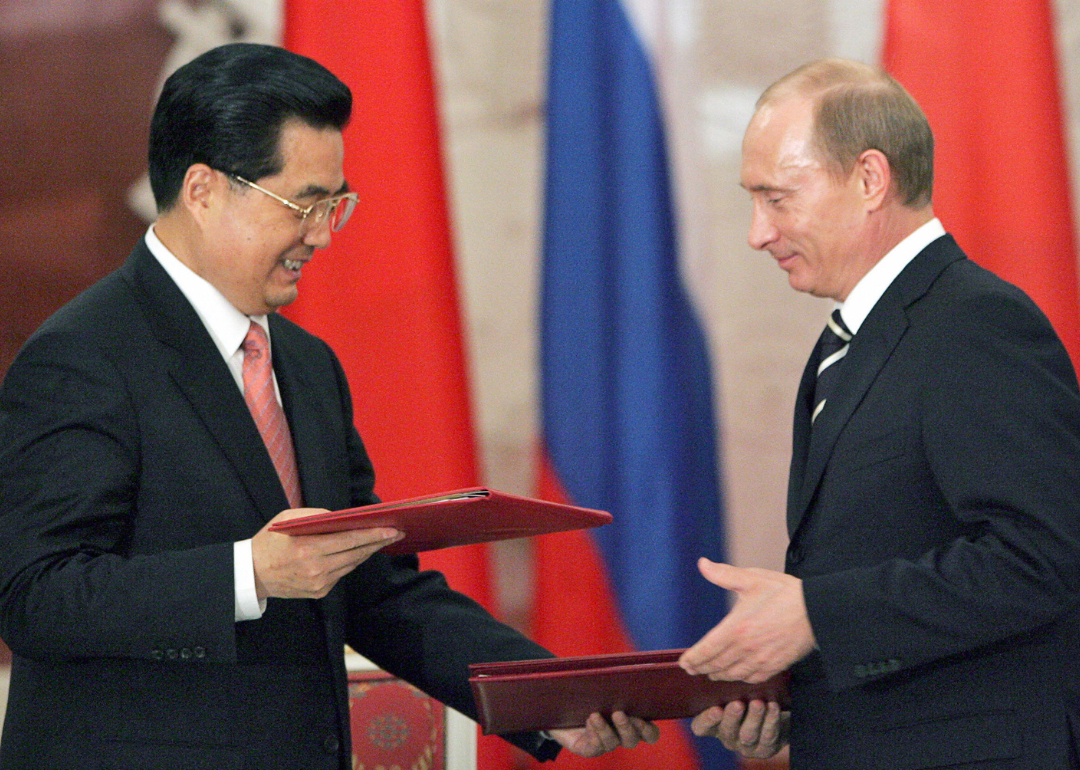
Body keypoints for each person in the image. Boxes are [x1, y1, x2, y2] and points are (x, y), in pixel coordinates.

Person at [0, 43, 657, 769]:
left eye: (335, 204)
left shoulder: (307, 366)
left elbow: (371, 586)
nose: (321, 234)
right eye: (304, 205)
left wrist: (544, 697)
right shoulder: (84, 355)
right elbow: (35, 596)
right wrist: (249, 573)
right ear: (203, 189)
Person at [678, 58, 1080, 769]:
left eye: (776, 199)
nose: (757, 234)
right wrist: (792, 696)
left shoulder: (975, 322)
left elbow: (1046, 557)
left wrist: (815, 614)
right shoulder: (851, 339)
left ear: (869, 180)